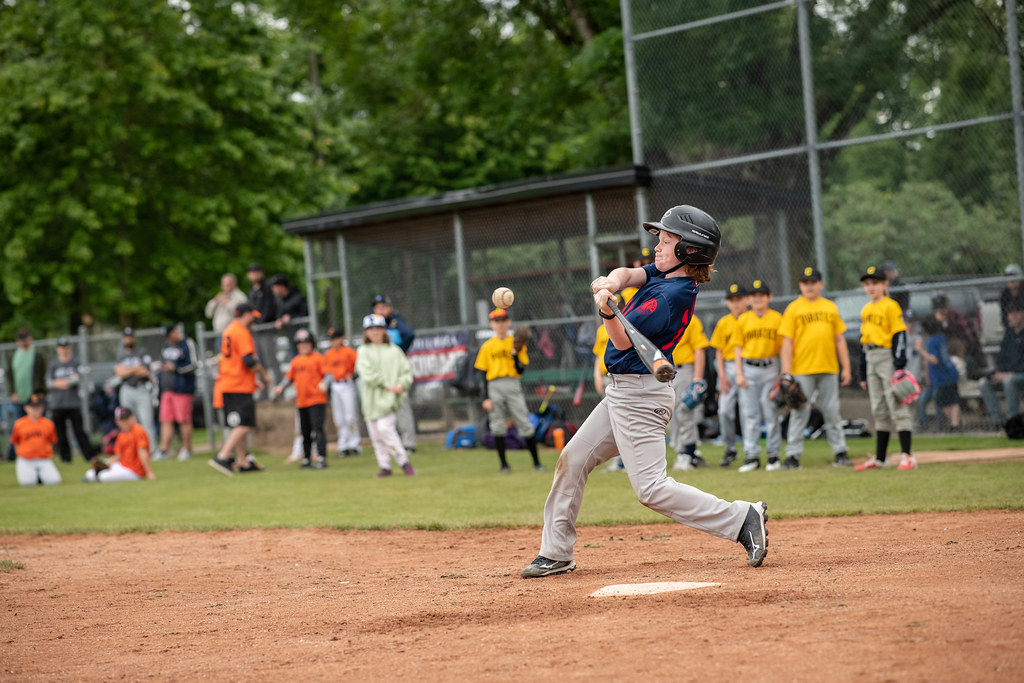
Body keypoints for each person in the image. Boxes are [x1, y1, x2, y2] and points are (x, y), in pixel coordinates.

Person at [520, 205, 768, 580]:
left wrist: (606, 314)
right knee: (572, 460)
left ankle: (741, 518)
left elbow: (621, 342)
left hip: (641, 397)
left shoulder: (673, 295)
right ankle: (555, 552)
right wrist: (610, 283)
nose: (657, 247)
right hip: (622, 393)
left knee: (651, 489)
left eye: (667, 242)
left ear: (689, 252)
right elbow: (630, 272)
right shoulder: (663, 275)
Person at [778, 267, 852, 469]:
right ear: (800, 285)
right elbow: (787, 342)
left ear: (821, 284)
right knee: (799, 411)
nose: (809, 286)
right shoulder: (794, 308)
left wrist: (846, 367)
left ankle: (840, 452)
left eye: (813, 282)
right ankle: (792, 456)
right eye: (805, 282)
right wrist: (786, 371)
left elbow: (839, 340)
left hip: (829, 367)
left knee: (832, 411)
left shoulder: (830, 307)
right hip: (802, 368)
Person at [854, 266, 916, 471]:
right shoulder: (866, 309)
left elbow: (900, 335)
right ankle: (881, 458)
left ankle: (907, 456)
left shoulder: (891, 306)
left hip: (886, 356)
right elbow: (864, 341)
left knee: (896, 404)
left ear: (884, 284)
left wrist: (899, 366)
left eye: (875, 283)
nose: (871, 287)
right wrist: (863, 371)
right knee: (878, 408)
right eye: (867, 284)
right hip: (871, 357)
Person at [474, 308, 544, 474]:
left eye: (503, 320)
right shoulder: (487, 346)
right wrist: (486, 397)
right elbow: (483, 373)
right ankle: (504, 465)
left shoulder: (516, 341)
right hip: (494, 385)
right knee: (498, 425)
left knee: (524, 422)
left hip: (512, 384)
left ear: (509, 322)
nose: (500, 324)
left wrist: (515, 354)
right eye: (497, 321)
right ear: (492, 324)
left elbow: (520, 371)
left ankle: (537, 463)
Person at [208, 303, 272, 476]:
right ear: (245, 315)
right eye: (252, 316)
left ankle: (243, 461)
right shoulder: (241, 332)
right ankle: (223, 455)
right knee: (244, 424)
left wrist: (252, 380)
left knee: (239, 424)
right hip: (238, 386)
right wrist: (264, 376)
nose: (253, 319)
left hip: (230, 383)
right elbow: (248, 360)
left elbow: (234, 361)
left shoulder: (229, 330)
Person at [356, 313, 415, 477]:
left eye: (378, 328)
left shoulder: (394, 351)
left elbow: (406, 373)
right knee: (376, 436)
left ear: (384, 330)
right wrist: (386, 384)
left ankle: (404, 462)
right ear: (366, 333)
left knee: (385, 429)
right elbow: (366, 374)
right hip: (371, 401)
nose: (375, 332)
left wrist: (399, 385)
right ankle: (385, 466)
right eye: (371, 329)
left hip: (389, 400)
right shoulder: (363, 351)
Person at [734, 279, 783, 472]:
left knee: (771, 413)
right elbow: (738, 348)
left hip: (770, 368)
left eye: (761, 295)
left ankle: (773, 455)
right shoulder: (744, 319)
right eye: (754, 296)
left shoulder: (777, 318)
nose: (758, 299)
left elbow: (783, 348)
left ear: (769, 297)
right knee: (750, 415)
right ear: (749, 299)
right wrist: (739, 373)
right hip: (749, 368)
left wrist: (782, 372)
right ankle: (751, 456)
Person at [274, 329, 329, 469]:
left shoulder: (318, 358)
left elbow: (328, 374)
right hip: (302, 401)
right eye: (300, 344)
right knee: (305, 431)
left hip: (316, 399)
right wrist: (281, 387)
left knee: (318, 428)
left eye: (306, 343)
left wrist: (325, 383)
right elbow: (288, 377)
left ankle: (321, 457)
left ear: (312, 344)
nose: (303, 346)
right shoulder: (296, 361)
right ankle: (307, 458)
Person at [372, 294, 417, 452]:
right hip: (381, 370)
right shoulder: (374, 324)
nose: (379, 310)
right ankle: (391, 443)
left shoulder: (395, 321)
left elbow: (410, 334)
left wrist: (400, 351)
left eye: (383, 307)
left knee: (401, 405)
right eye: (377, 307)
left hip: (396, 367)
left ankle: (408, 443)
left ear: (390, 308)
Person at [710, 283, 747, 466]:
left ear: (745, 300)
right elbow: (718, 352)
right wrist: (722, 376)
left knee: (749, 412)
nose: (735, 304)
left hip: (748, 367)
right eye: (732, 300)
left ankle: (750, 450)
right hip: (727, 368)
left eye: (738, 299)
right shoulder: (724, 322)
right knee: (724, 410)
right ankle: (730, 448)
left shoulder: (750, 319)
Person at [668, 313, 710, 470]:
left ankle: (689, 453)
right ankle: (683, 452)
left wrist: (697, 378)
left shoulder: (690, 319)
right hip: (664, 371)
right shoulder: (659, 317)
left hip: (685, 370)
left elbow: (699, 349)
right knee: (671, 414)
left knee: (685, 411)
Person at [46, 337, 97, 464]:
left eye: (66, 347)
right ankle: (65, 457)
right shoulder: (54, 365)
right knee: (61, 433)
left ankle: (88, 455)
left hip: (73, 403)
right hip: (58, 404)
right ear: (58, 349)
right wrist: (67, 381)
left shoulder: (76, 363)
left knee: (79, 431)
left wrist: (61, 382)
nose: (64, 350)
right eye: (61, 347)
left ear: (70, 348)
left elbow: (80, 379)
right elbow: (49, 383)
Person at [153, 324, 197, 462]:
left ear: (174, 332)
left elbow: (193, 365)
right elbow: (163, 362)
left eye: (168, 335)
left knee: (183, 420)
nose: (167, 339)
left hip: (182, 389)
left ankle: (186, 449)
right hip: (167, 389)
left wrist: (176, 369)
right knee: (166, 420)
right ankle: (164, 450)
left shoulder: (187, 343)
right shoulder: (166, 345)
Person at [978, 302, 1024, 428]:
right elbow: (1001, 358)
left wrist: (1010, 374)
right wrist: (998, 373)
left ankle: (1013, 421)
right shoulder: (1009, 335)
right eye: (1010, 314)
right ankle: (997, 421)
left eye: (1016, 314)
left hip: (1019, 375)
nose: (1012, 317)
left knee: (1009, 381)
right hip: (1008, 375)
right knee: (984, 383)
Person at [5, 328, 47, 461]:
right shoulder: (14, 356)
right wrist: (13, 392)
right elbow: (10, 375)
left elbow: (42, 374)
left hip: (34, 397)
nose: (23, 341)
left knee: (38, 425)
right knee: (17, 426)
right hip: (20, 397)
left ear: (30, 338)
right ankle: (14, 454)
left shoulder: (37, 354)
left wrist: (41, 391)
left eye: (25, 338)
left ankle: (41, 451)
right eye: (21, 339)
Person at [84, 406, 155, 483]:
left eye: (126, 419)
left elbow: (142, 452)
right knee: (89, 473)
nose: (124, 422)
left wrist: (149, 472)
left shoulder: (138, 430)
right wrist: (106, 463)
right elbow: (119, 456)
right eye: (122, 420)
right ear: (117, 421)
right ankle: (94, 477)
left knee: (103, 476)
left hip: (134, 470)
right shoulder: (121, 434)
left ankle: (96, 478)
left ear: (133, 418)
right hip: (123, 466)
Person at [113, 327, 157, 447]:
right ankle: (133, 451)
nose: (128, 339)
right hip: (126, 389)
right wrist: (135, 368)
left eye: (130, 336)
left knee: (146, 421)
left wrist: (126, 370)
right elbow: (119, 373)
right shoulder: (120, 356)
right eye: (126, 337)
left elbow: (145, 371)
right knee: (127, 422)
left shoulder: (142, 353)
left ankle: (151, 450)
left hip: (141, 388)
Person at [918, 316, 962, 432]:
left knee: (943, 401)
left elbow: (934, 360)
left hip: (943, 377)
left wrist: (921, 350)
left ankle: (955, 424)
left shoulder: (933, 340)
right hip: (950, 373)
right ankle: (956, 424)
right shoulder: (941, 336)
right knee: (951, 401)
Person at [323, 326, 362, 457]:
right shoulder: (328, 354)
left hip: (347, 385)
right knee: (338, 418)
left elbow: (359, 366)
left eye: (335, 339)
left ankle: (355, 444)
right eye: (331, 339)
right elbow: (327, 372)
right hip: (335, 385)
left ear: (341, 339)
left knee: (350, 416)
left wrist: (354, 375)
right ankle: (343, 445)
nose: (332, 342)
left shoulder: (349, 352)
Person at [11, 394, 60, 487]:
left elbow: (52, 441)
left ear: (42, 408)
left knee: (54, 481)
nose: (36, 410)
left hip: (44, 458)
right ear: (26, 408)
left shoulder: (48, 424)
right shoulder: (19, 424)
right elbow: (15, 442)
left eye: (38, 407)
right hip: (26, 459)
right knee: (27, 483)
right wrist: (20, 455)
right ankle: (35, 476)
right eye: (33, 407)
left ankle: (40, 476)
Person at [931, 294, 985, 377]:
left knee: (964, 362)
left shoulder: (960, 319)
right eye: (938, 309)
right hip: (944, 357)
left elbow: (970, 343)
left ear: (949, 306)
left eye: (943, 308)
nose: (941, 311)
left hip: (965, 356)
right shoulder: (934, 324)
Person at [246, 262, 280, 388]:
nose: (254, 275)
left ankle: (279, 388)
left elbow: (270, 307)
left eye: (257, 272)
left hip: (267, 328)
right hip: (256, 330)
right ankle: (264, 391)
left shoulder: (267, 288)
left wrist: (259, 322)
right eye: (252, 272)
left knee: (271, 359)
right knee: (260, 361)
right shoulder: (252, 291)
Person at [269, 275, 309, 357]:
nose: (273, 290)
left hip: (303, 338)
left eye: (275, 287)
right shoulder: (278, 300)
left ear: (282, 286)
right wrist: (279, 320)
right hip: (291, 337)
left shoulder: (297, 297)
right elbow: (278, 314)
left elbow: (304, 313)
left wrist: (292, 317)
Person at [204, 273, 248, 343]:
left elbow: (241, 313)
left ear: (234, 284)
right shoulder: (221, 296)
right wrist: (214, 301)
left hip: (234, 334)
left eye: (228, 284)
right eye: (224, 284)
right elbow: (208, 314)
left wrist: (227, 302)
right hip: (219, 334)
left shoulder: (240, 296)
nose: (226, 287)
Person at [999, 264, 1024, 329]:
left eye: (1014, 277)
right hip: (1010, 326)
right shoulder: (1004, 294)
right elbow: (1004, 313)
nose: (1011, 280)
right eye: (1009, 277)